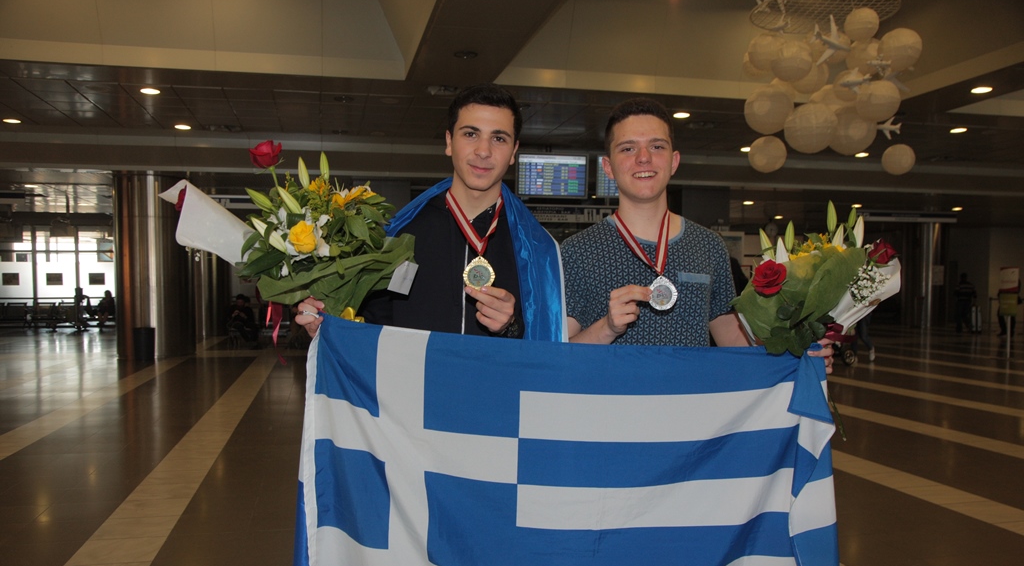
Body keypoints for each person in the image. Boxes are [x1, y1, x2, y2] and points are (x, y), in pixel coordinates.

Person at [560, 98, 831, 367]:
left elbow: (736, 344)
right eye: (628, 148)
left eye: (657, 146)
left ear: (674, 161)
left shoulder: (708, 246)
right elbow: (557, 357)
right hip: (612, 393)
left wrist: (798, 355)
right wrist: (607, 328)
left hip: (692, 394)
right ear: (608, 167)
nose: (643, 158)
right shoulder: (576, 251)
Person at [296, 83, 564, 341]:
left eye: (499, 138)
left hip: (494, 375)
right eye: (470, 134)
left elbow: (547, 347)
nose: (484, 151)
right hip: (414, 375)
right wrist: (325, 323)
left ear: (514, 151)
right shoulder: (401, 234)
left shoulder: (536, 251)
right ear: (449, 141)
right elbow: (368, 325)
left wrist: (511, 326)